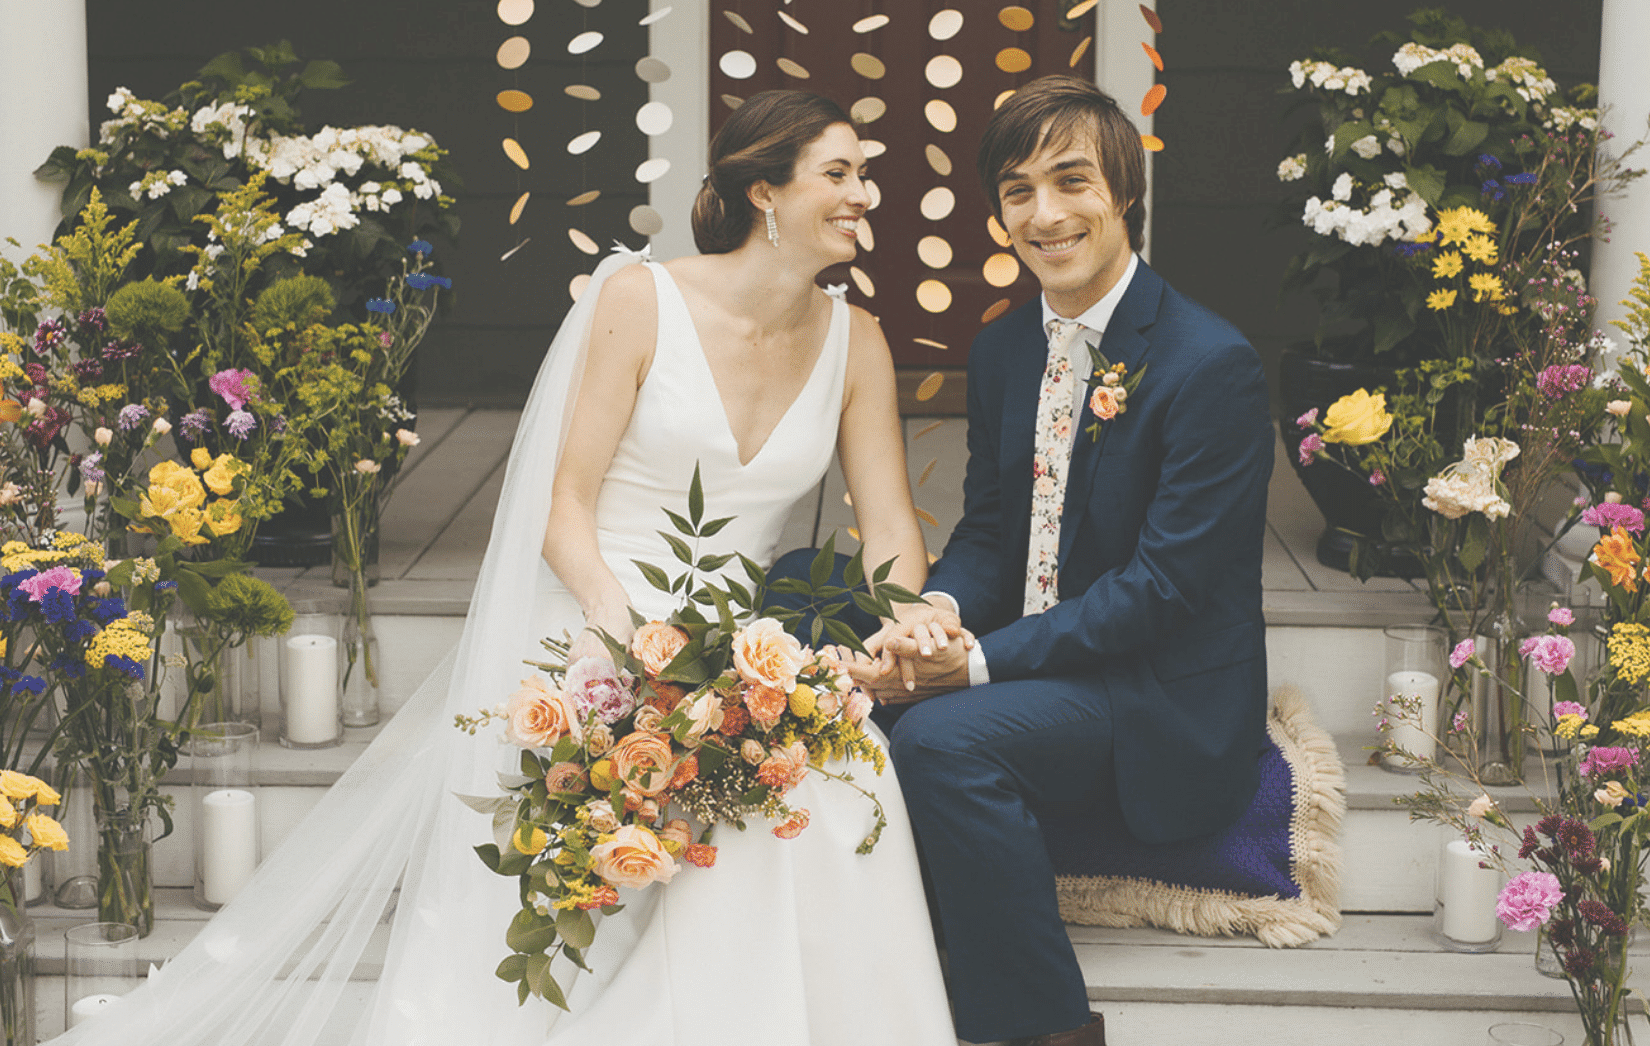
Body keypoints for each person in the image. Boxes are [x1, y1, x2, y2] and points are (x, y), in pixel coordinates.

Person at [56, 91, 958, 1046]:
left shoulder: (857, 341)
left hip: (744, 651)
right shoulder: (640, 299)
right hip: (594, 620)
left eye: (865, 174)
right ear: (765, 188)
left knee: (835, 783)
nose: (865, 193)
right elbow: (561, 504)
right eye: (841, 173)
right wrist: (625, 643)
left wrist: (901, 621)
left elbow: (892, 523)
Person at [848, 75, 1275, 1046]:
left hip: (1149, 691)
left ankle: (1047, 1029)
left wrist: (977, 666)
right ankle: (874, 980)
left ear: (1121, 191)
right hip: (1033, 653)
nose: (1046, 214)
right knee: (844, 680)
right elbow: (993, 529)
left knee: (942, 742)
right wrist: (938, 615)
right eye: (1017, 191)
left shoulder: (1210, 365)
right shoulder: (1002, 350)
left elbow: (1164, 590)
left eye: (1071, 180)